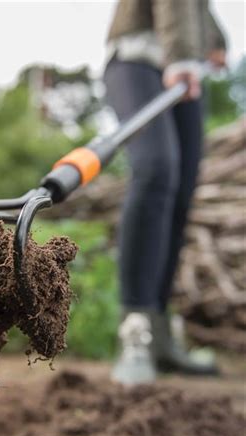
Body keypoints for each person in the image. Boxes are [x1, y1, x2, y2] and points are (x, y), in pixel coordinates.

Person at [103, 0, 227, 385]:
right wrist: (182, 55)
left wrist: (215, 40)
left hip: (183, 61)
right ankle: (134, 333)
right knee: (156, 169)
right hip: (138, 60)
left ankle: (159, 337)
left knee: (180, 193)